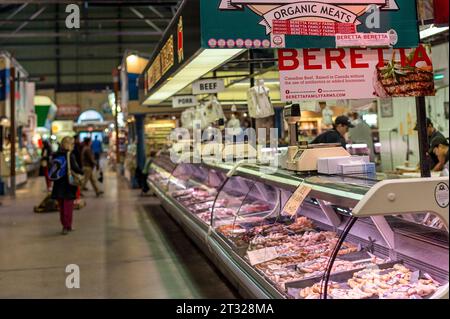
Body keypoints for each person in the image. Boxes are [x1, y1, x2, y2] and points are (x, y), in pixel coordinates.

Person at [51, 136, 83, 235]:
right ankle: (67, 226)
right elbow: (76, 168)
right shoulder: (69, 155)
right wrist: (82, 172)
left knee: (61, 207)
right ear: (68, 144)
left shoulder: (56, 155)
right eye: (72, 144)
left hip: (58, 184)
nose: (73, 146)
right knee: (68, 207)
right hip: (68, 184)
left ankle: (65, 225)